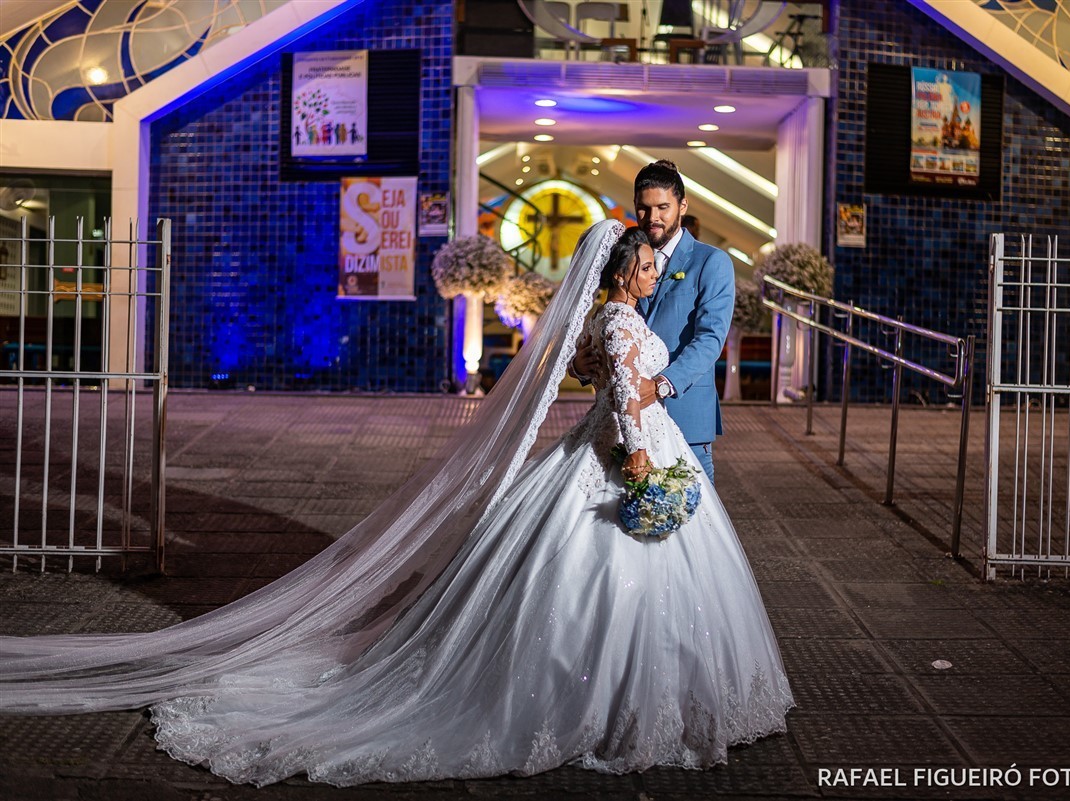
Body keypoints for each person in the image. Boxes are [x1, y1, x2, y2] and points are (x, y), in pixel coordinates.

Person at [0, 221, 792, 787]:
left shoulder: (604, 318)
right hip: (627, 457)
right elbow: (619, 398)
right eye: (649, 265)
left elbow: (588, 370)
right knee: (611, 587)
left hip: (611, 446)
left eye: (656, 264)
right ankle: (612, 704)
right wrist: (647, 471)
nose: (657, 272)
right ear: (624, 271)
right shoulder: (623, 319)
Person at [573, 161, 734, 483]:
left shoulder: (712, 262)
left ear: (682, 206)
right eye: (644, 209)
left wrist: (661, 385)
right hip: (621, 423)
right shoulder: (621, 258)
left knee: (693, 519)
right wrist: (579, 364)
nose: (653, 218)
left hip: (684, 414)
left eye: (663, 207)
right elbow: (606, 325)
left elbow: (709, 340)